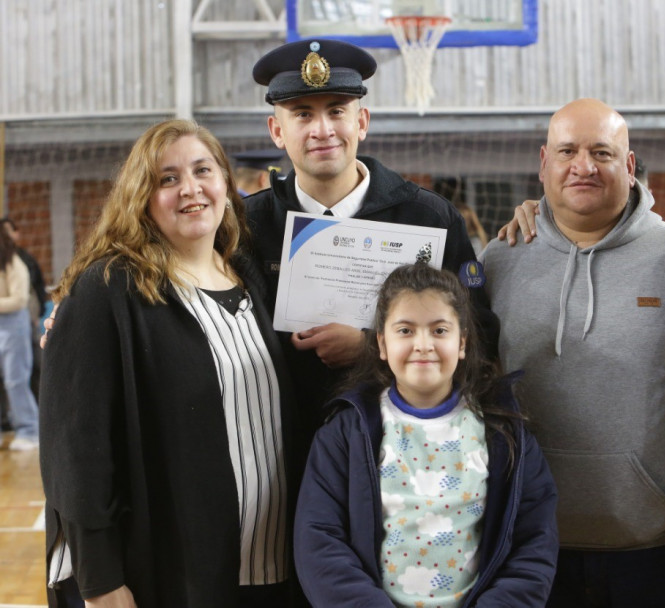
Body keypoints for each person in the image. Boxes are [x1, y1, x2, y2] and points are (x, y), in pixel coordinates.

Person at [39, 119, 300, 607]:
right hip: (163, 576)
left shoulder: (249, 277)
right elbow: (74, 449)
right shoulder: (108, 288)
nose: (191, 189)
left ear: (225, 182)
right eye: (168, 179)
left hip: (266, 566)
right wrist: (101, 582)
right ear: (142, 196)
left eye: (203, 170)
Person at [481, 98, 665, 607]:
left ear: (628, 167)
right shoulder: (499, 260)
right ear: (544, 164)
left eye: (601, 152)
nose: (583, 166)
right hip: (529, 546)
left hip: (660, 549)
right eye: (567, 151)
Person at [246, 38, 495, 445]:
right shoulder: (247, 226)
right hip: (279, 456)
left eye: (337, 111)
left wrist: (370, 346)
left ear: (361, 122)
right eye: (302, 114)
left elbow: (478, 332)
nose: (322, 130)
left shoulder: (430, 218)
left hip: (404, 456)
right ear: (277, 130)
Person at [293, 262, 558, 606]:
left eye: (439, 330)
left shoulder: (504, 431)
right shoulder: (346, 433)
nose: (423, 344)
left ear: (461, 342)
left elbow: (534, 542)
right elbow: (319, 541)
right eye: (405, 331)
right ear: (382, 344)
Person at [0, 225, 40, 451]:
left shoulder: (14, 264)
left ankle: (29, 431)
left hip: (13, 325)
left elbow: (19, 300)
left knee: (15, 381)